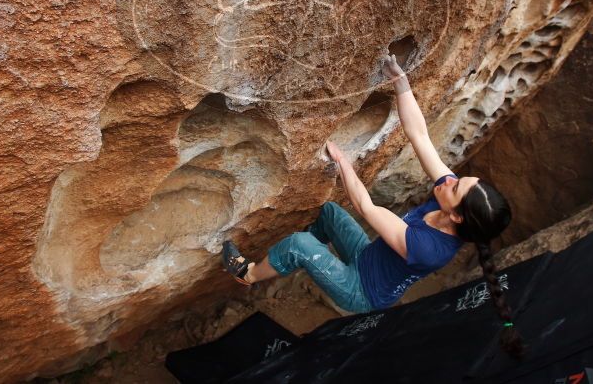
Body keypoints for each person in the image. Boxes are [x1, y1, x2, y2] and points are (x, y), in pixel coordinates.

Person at [222, 53, 525, 358]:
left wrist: (343, 162)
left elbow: (366, 207)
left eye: (456, 186)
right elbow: (419, 135)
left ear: (457, 216)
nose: (448, 179)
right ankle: (299, 260)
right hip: (366, 257)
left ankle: (247, 274)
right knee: (329, 214)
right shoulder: (449, 201)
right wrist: (400, 81)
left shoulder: (430, 249)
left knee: (300, 244)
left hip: (361, 291)